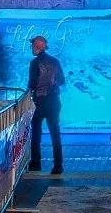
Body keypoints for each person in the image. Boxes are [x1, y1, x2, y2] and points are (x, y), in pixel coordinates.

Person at [28, 36, 64, 174]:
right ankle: (58, 166)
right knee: (55, 133)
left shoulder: (34, 63)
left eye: (32, 46)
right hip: (54, 101)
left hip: (39, 102)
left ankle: (35, 164)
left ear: (37, 47)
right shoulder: (55, 61)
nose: (31, 48)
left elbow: (32, 84)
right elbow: (61, 80)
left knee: (36, 133)